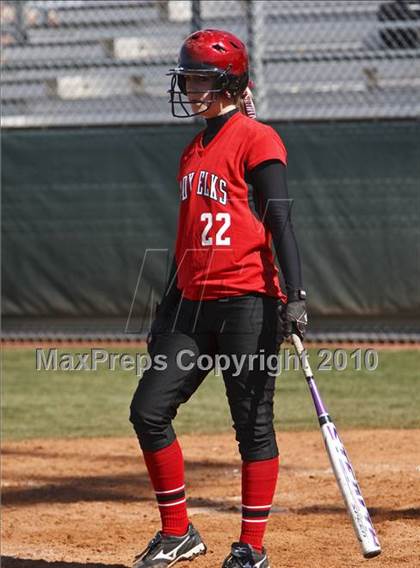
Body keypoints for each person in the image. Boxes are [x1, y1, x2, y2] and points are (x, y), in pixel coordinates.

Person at [129, 29, 307, 568]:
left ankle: (251, 547)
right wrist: (165, 310)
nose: (187, 85)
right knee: (148, 411)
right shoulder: (192, 151)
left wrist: (294, 296)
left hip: (249, 301)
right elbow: (187, 241)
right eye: (187, 75)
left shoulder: (258, 138)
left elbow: (279, 218)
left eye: (197, 76)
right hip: (193, 304)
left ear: (226, 83)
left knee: (252, 424)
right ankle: (178, 532)